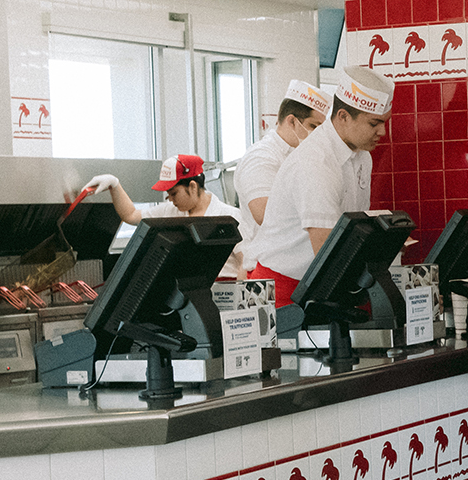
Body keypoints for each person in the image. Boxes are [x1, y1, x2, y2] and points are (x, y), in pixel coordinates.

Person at [247, 66, 388, 305]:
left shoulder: (362, 155)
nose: (382, 131)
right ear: (343, 116)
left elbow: (355, 226)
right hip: (284, 289)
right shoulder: (315, 162)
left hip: (321, 279)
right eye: (374, 123)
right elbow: (326, 247)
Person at [86, 154, 246, 278]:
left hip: (225, 293)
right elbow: (131, 215)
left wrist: (239, 303)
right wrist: (114, 185)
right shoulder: (170, 212)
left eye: (174, 193)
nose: (170, 199)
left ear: (192, 186)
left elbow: (244, 264)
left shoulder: (230, 217)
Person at [233, 80, 330, 268]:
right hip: (266, 267)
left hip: (293, 265)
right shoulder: (261, 157)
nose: (318, 134)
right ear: (292, 121)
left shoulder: (303, 154)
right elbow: (264, 214)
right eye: (313, 126)